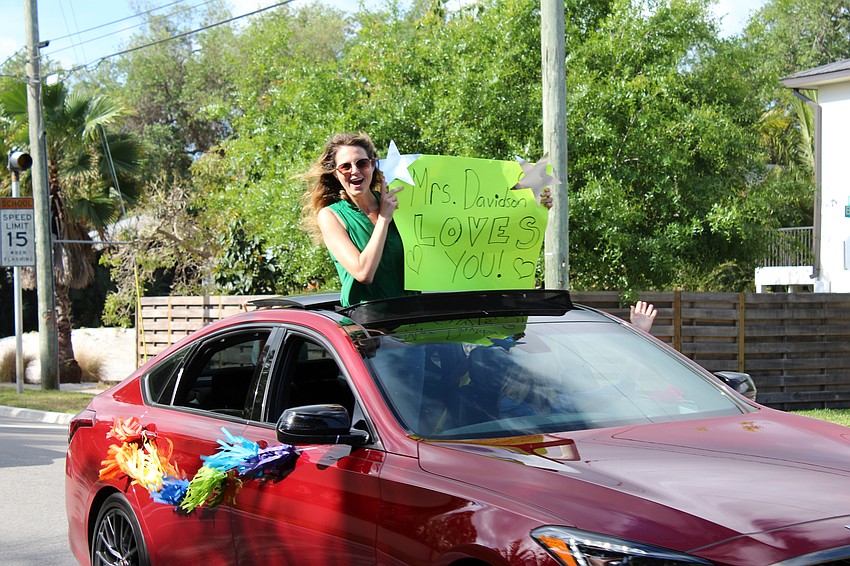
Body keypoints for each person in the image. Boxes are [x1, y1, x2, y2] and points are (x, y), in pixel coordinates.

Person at [302, 132, 419, 307]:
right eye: (345, 167)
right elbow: (363, 273)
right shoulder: (330, 216)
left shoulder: (399, 204)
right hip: (368, 326)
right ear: (335, 174)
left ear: (372, 165)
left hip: (416, 319)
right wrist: (383, 219)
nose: (354, 171)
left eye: (362, 163)